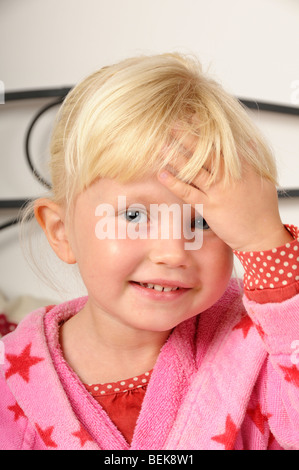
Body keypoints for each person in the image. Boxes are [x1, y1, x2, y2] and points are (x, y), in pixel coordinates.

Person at [0, 53, 298, 450]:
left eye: (203, 222)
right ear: (61, 231)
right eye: (135, 215)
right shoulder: (10, 383)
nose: (173, 253)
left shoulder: (266, 347)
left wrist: (266, 244)